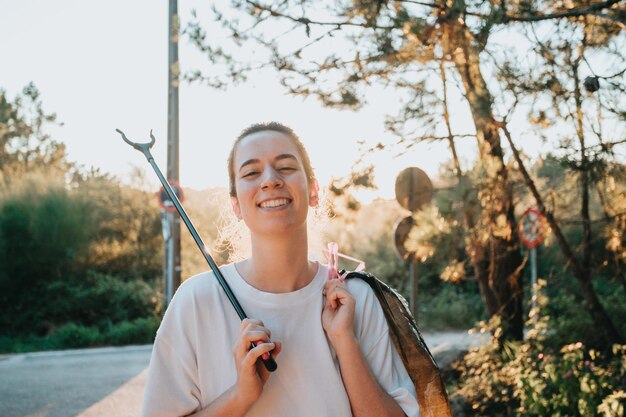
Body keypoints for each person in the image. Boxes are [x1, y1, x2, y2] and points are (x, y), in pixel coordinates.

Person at [141, 122, 420, 417]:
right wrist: (241, 395)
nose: (270, 180)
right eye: (251, 172)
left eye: (285, 167)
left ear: (313, 191)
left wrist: (345, 342)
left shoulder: (358, 299)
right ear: (235, 205)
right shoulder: (195, 301)